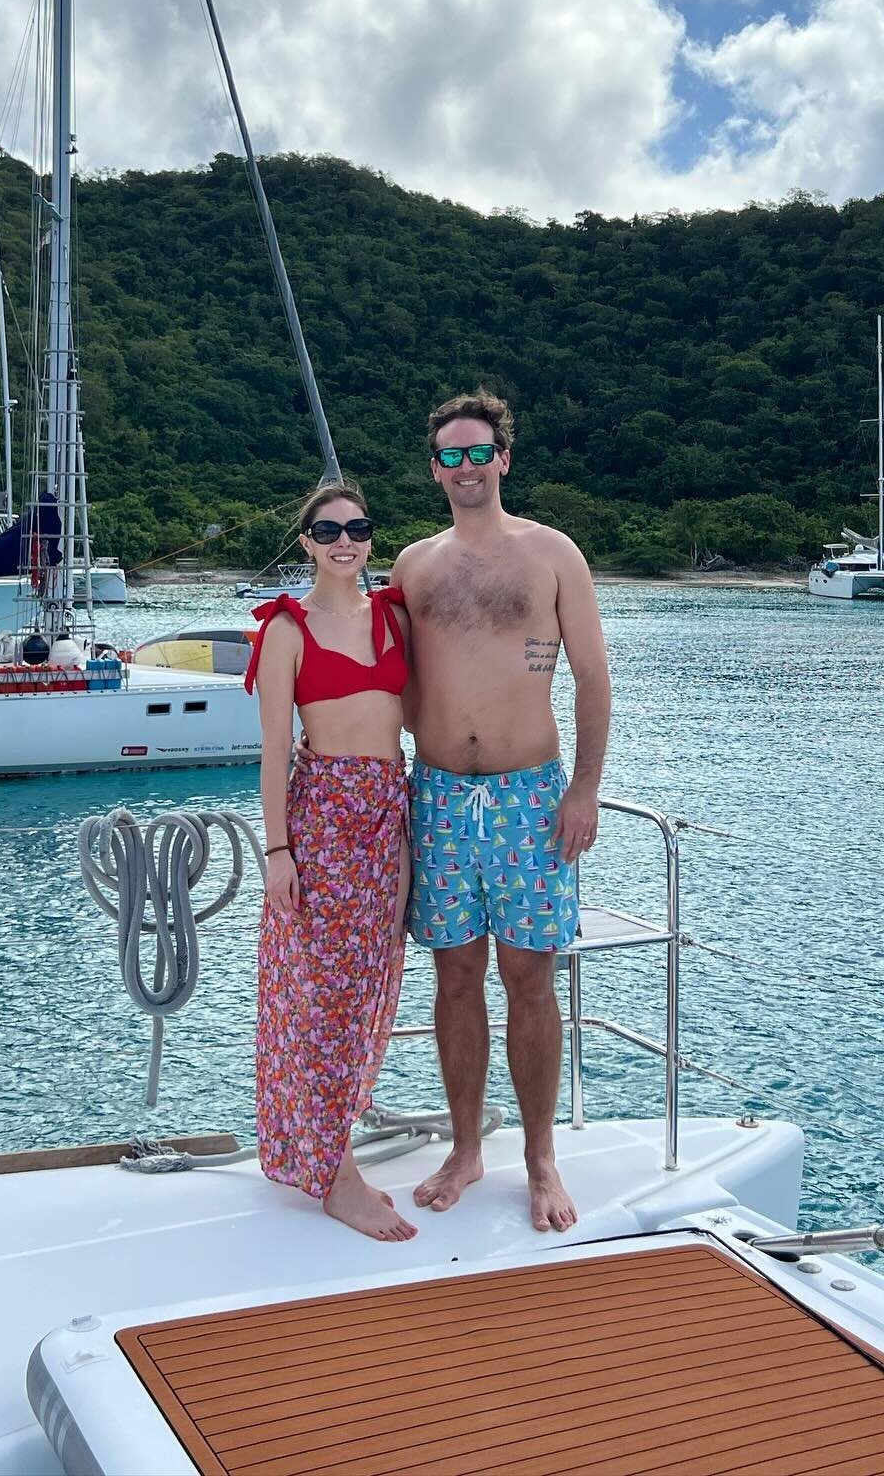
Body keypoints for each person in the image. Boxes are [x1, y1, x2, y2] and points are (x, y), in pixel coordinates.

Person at [392, 390, 611, 1232]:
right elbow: (386, 676)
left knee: (529, 977)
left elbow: (591, 676)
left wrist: (584, 788)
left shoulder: (552, 553)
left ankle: (539, 1157)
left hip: (529, 797)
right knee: (454, 976)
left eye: (477, 451)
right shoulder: (416, 565)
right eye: (449, 455)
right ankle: (465, 1146)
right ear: (435, 468)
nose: (465, 466)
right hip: (440, 795)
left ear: (504, 458)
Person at [245, 479, 417, 1241]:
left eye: (358, 527)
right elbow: (274, 753)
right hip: (323, 822)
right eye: (328, 530)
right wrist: (277, 850)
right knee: (321, 994)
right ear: (307, 541)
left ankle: (331, 1139)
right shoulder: (287, 629)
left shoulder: (394, 617)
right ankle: (333, 1173)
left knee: (375, 983)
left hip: (390, 814)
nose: (345, 540)